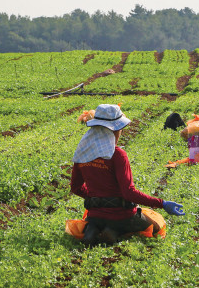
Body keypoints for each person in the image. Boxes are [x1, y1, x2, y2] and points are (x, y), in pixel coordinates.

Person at [70, 104, 185, 245]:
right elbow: (128, 193)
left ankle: (94, 229)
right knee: (156, 226)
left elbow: (75, 187)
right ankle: (114, 231)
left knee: (97, 221)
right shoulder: (117, 155)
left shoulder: (83, 152)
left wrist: (98, 199)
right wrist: (162, 203)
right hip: (122, 216)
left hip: (95, 215)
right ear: (116, 130)